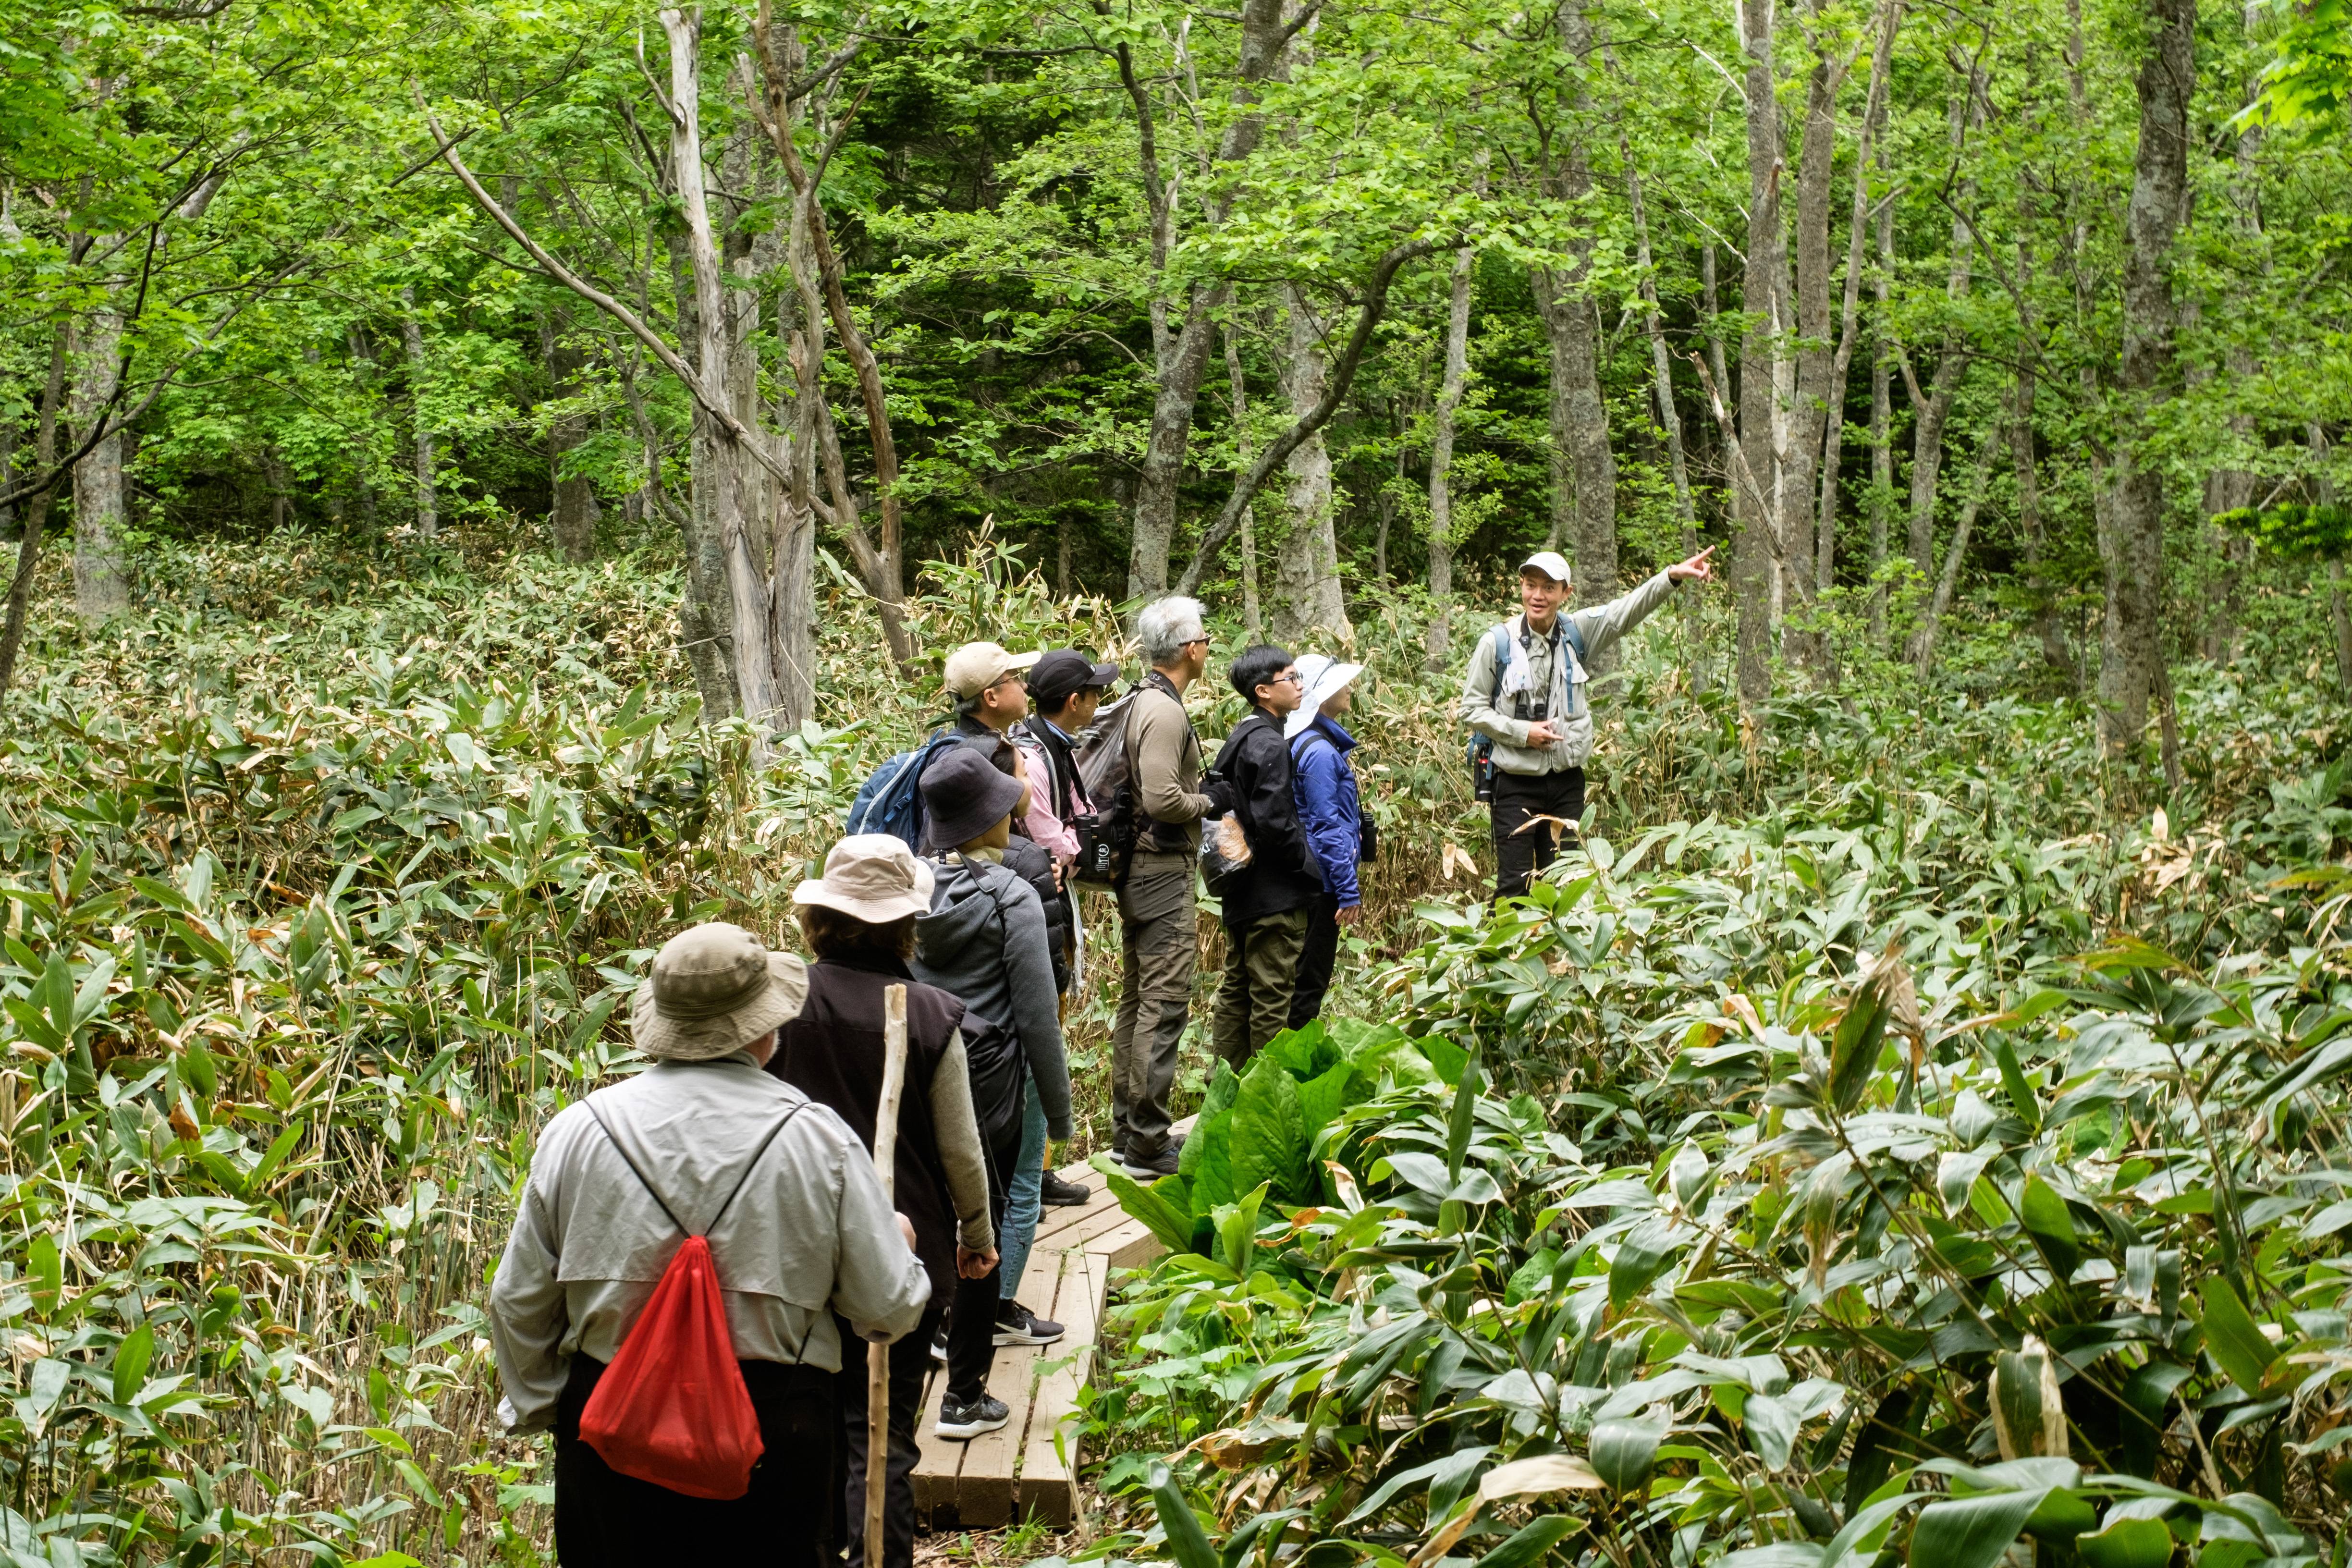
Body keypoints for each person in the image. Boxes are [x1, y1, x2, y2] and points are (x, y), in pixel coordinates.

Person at [489, 922, 931, 1568]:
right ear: (766, 1027)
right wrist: (901, 1246)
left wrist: (548, 1407)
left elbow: (516, 1299)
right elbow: (887, 1312)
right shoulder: (819, 1140)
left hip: (608, 1423)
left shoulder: (576, 1133)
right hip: (774, 1429)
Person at [772, 839, 998, 1568]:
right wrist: (977, 1235)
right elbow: (962, 1149)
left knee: (810, 1431)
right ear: (906, 925)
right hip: (902, 1250)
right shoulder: (929, 1013)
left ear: (821, 920)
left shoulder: (783, 1006)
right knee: (885, 1440)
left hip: (794, 1251)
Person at [911, 748, 1075, 1440]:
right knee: (982, 1224)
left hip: (921, 1078)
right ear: (989, 818)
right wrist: (1060, 1112)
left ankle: (925, 1347)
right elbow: (1039, 1017)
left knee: (928, 1219)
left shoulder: (909, 890)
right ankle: (965, 1398)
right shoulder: (1012, 896)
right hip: (994, 1086)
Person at [1460, 546, 1716, 900]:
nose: (1538, 596)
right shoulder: (1497, 643)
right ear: (1521, 587)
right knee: (1515, 887)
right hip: (1515, 784)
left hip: (1566, 785)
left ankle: (1562, 957)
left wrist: (1670, 576)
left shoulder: (1577, 633)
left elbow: (1625, 612)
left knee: (1570, 886)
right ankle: (1508, 954)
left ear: (1567, 593)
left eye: (1549, 588)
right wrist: (1523, 733)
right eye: (1531, 585)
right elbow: (1471, 710)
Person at [1112, 596, 1231, 1178]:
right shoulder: (1163, 711)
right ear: (1190, 649)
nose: (1208, 646)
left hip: (1140, 872)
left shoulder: (1141, 699)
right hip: (1160, 871)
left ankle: (1124, 1132)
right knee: (1161, 1007)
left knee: (1138, 1001)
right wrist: (1209, 802)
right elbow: (1162, 799)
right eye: (1205, 638)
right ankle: (1148, 1142)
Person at [1208, 644, 1322, 1068]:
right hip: (1274, 895)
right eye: (1290, 678)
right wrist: (1308, 869)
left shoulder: (1239, 737)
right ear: (1263, 692)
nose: (1300, 685)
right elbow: (1275, 823)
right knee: (1273, 996)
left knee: (1237, 989)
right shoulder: (1270, 744)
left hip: (1241, 891)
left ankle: (1226, 1088)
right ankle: (1265, 1095)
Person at [1285, 654, 1367, 1029]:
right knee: (1309, 982)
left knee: (1301, 978)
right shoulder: (1318, 751)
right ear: (1322, 694)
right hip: (1322, 884)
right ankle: (1293, 1073)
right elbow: (1326, 826)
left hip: (1311, 877)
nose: (1349, 688)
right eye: (1341, 682)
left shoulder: (1310, 742)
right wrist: (1347, 891)